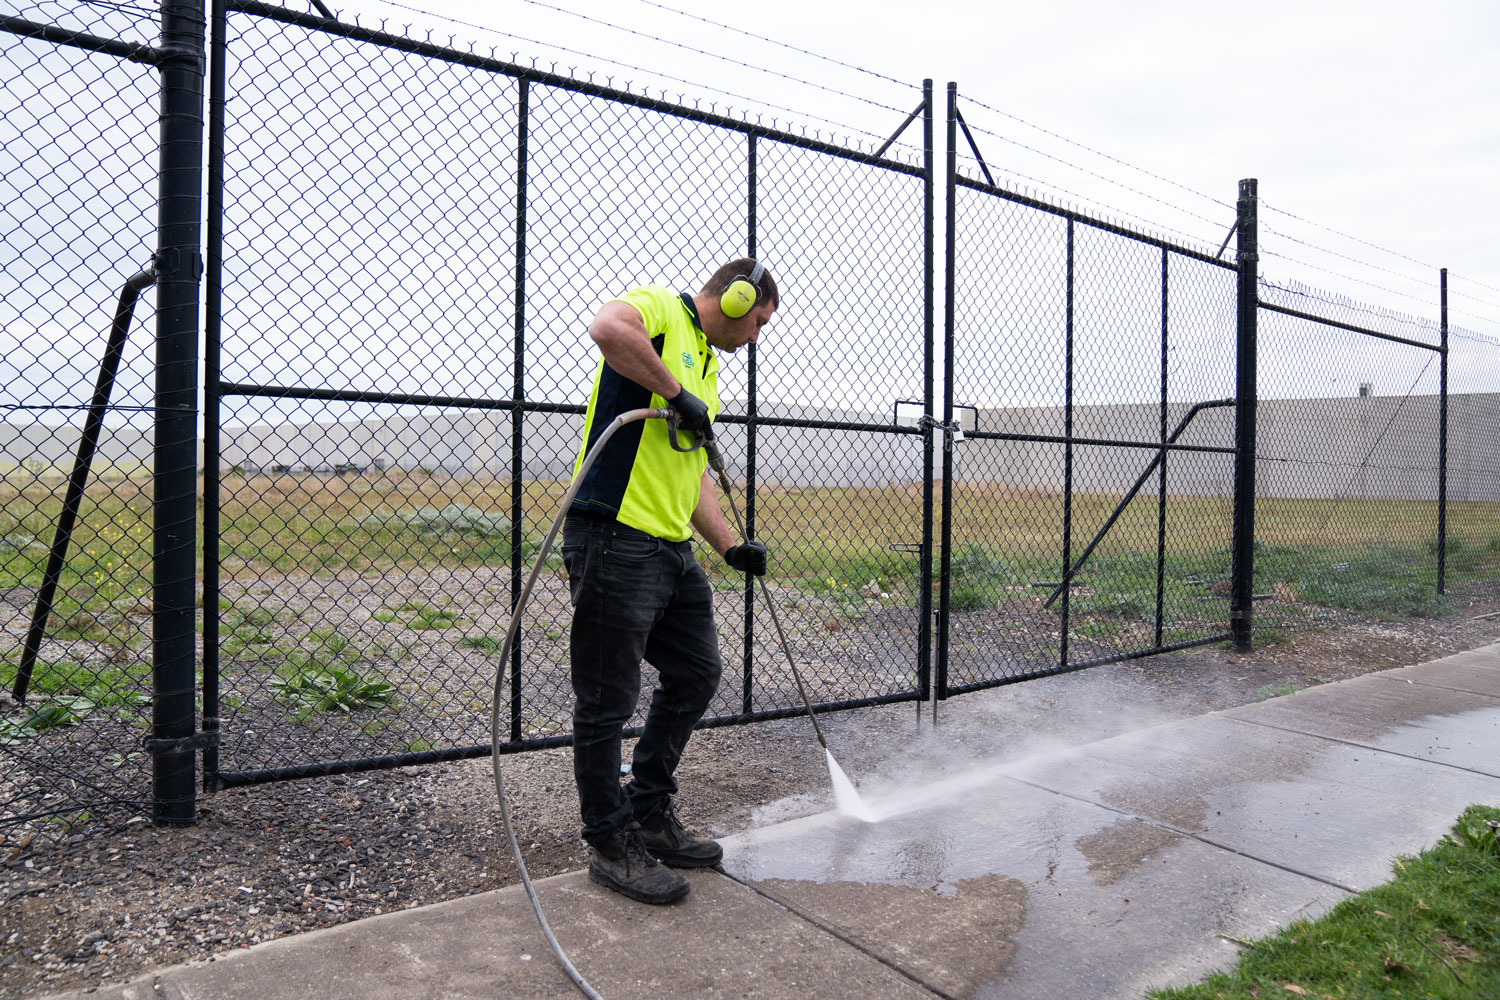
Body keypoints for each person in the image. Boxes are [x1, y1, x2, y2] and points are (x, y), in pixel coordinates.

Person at [561, 258, 778, 905]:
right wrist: (672, 392)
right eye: (759, 322)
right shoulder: (659, 310)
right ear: (737, 300)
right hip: (614, 536)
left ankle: (649, 811)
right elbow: (607, 330)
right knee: (606, 701)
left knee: (697, 672)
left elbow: (692, 479)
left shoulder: (706, 362)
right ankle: (609, 840)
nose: (757, 338)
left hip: (671, 550)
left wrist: (731, 546)